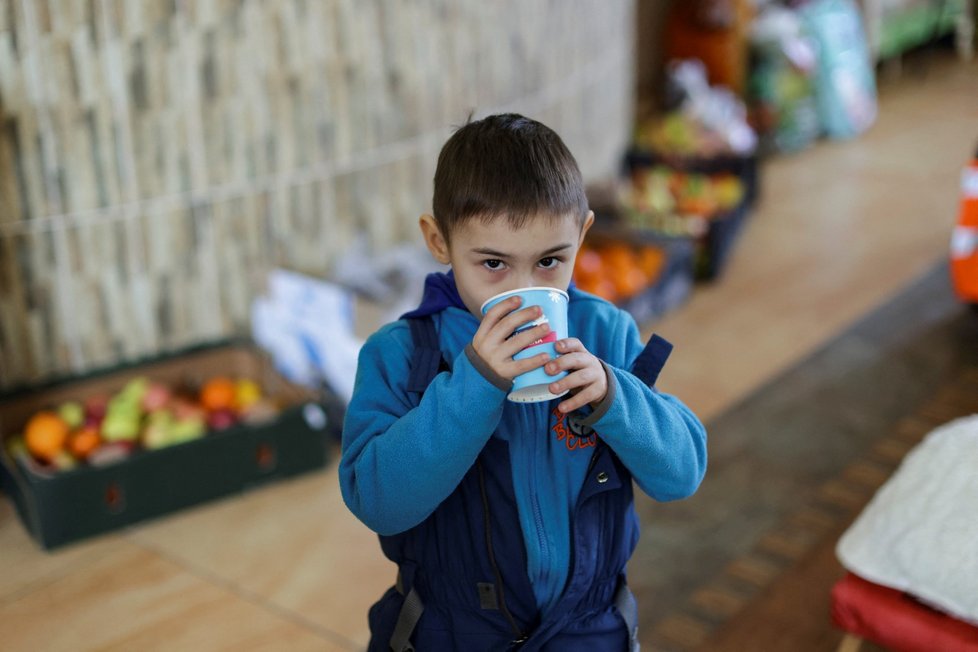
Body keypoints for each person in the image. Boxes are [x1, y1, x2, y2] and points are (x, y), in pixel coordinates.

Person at [340, 113, 708, 651]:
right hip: (450, 630)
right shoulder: (401, 355)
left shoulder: (605, 333)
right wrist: (475, 384)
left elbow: (682, 473)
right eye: (493, 263)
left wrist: (613, 396)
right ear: (438, 241)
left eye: (550, 261)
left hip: (589, 629)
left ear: (582, 235)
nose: (523, 290)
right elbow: (376, 500)